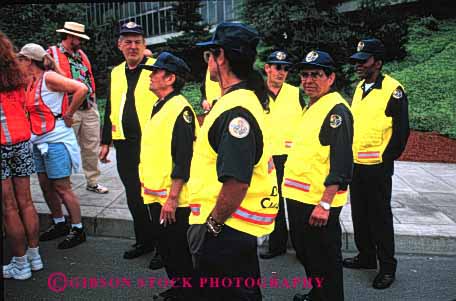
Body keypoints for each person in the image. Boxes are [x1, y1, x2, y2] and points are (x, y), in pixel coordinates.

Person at [187, 22, 278, 300]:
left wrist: (212, 226)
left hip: (226, 228)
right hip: (234, 228)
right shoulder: (241, 101)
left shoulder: (236, 110)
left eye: (209, 55)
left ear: (221, 56)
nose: (207, 62)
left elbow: (237, 181)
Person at [282, 50, 353, 301]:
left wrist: (325, 203)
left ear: (331, 78)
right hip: (300, 196)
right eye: (304, 75)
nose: (309, 80)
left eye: (316, 74)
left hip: (317, 201)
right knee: (306, 252)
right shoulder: (312, 106)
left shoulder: (336, 111)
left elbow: (342, 162)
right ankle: (319, 293)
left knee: (325, 257)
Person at [343, 38, 410, 290]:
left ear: (378, 63)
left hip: (378, 167)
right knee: (360, 214)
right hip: (356, 164)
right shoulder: (360, 87)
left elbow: (401, 133)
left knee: (380, 217)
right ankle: (366, 257)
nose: (359, 65)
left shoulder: (393, 89)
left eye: (364, 61)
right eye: (357, 61)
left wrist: (385, 160)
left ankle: (387, 267)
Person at [99, 21, 163, 269]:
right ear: (120, 45)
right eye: (128, 41)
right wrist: (106, 141)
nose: (133, 46)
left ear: (144, 45)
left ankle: (163, 246)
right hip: (124, 144)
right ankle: (144, 240)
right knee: (134, 196)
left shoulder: (156, 68)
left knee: (155, 196)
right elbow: (111, 107)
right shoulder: (116, 72)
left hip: (151, 144)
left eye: (138, 41)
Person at [139, 52, 199, 301]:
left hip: (172, 198)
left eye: (156, 72)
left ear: (170, 78)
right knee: (167, 248)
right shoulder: (160, 104)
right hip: (156, 193)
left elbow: (183, 158)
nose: (151, 77)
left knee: (176, 249)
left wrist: (173, 198)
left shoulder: (180, 109)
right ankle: (179, 289)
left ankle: (185, 293)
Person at [18, 43, 88, 249]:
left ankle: (78, 228)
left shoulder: (49, 77)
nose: (19, 63)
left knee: (62, 187)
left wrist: (68, 114)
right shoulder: (32, 81)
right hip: (38, 140)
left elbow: (81, 89)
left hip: (56, 139)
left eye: (21, 59)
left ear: (29, 61)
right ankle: (59, 223)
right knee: (45, 185)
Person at [48, 21, 108, 194]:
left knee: (91, 147)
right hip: (68, 109)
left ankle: (93, 182)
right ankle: (63, 185)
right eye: (78, 38)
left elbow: (88, 78)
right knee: (65, 148)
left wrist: (93, 101)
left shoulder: (81, 54)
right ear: (70, 36)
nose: (80, 41)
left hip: (88, 107)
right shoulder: (52, 54)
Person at [1, 32, 42, 280]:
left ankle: (20, 264)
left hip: (2, 145)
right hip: (23, 142)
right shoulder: (17, 76)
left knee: (9, 207)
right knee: (26, 202)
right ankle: (34, 257)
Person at [260, 50, 306, 260]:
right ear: (267, 68)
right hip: (268, 158)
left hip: (292, 157)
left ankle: (301, 246)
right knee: (273, 201)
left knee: (296, 204)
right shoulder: (256, 93)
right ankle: (276, 245)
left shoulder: (295, 92)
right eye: (277, 67)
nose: (281, 72)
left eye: (286, 68)